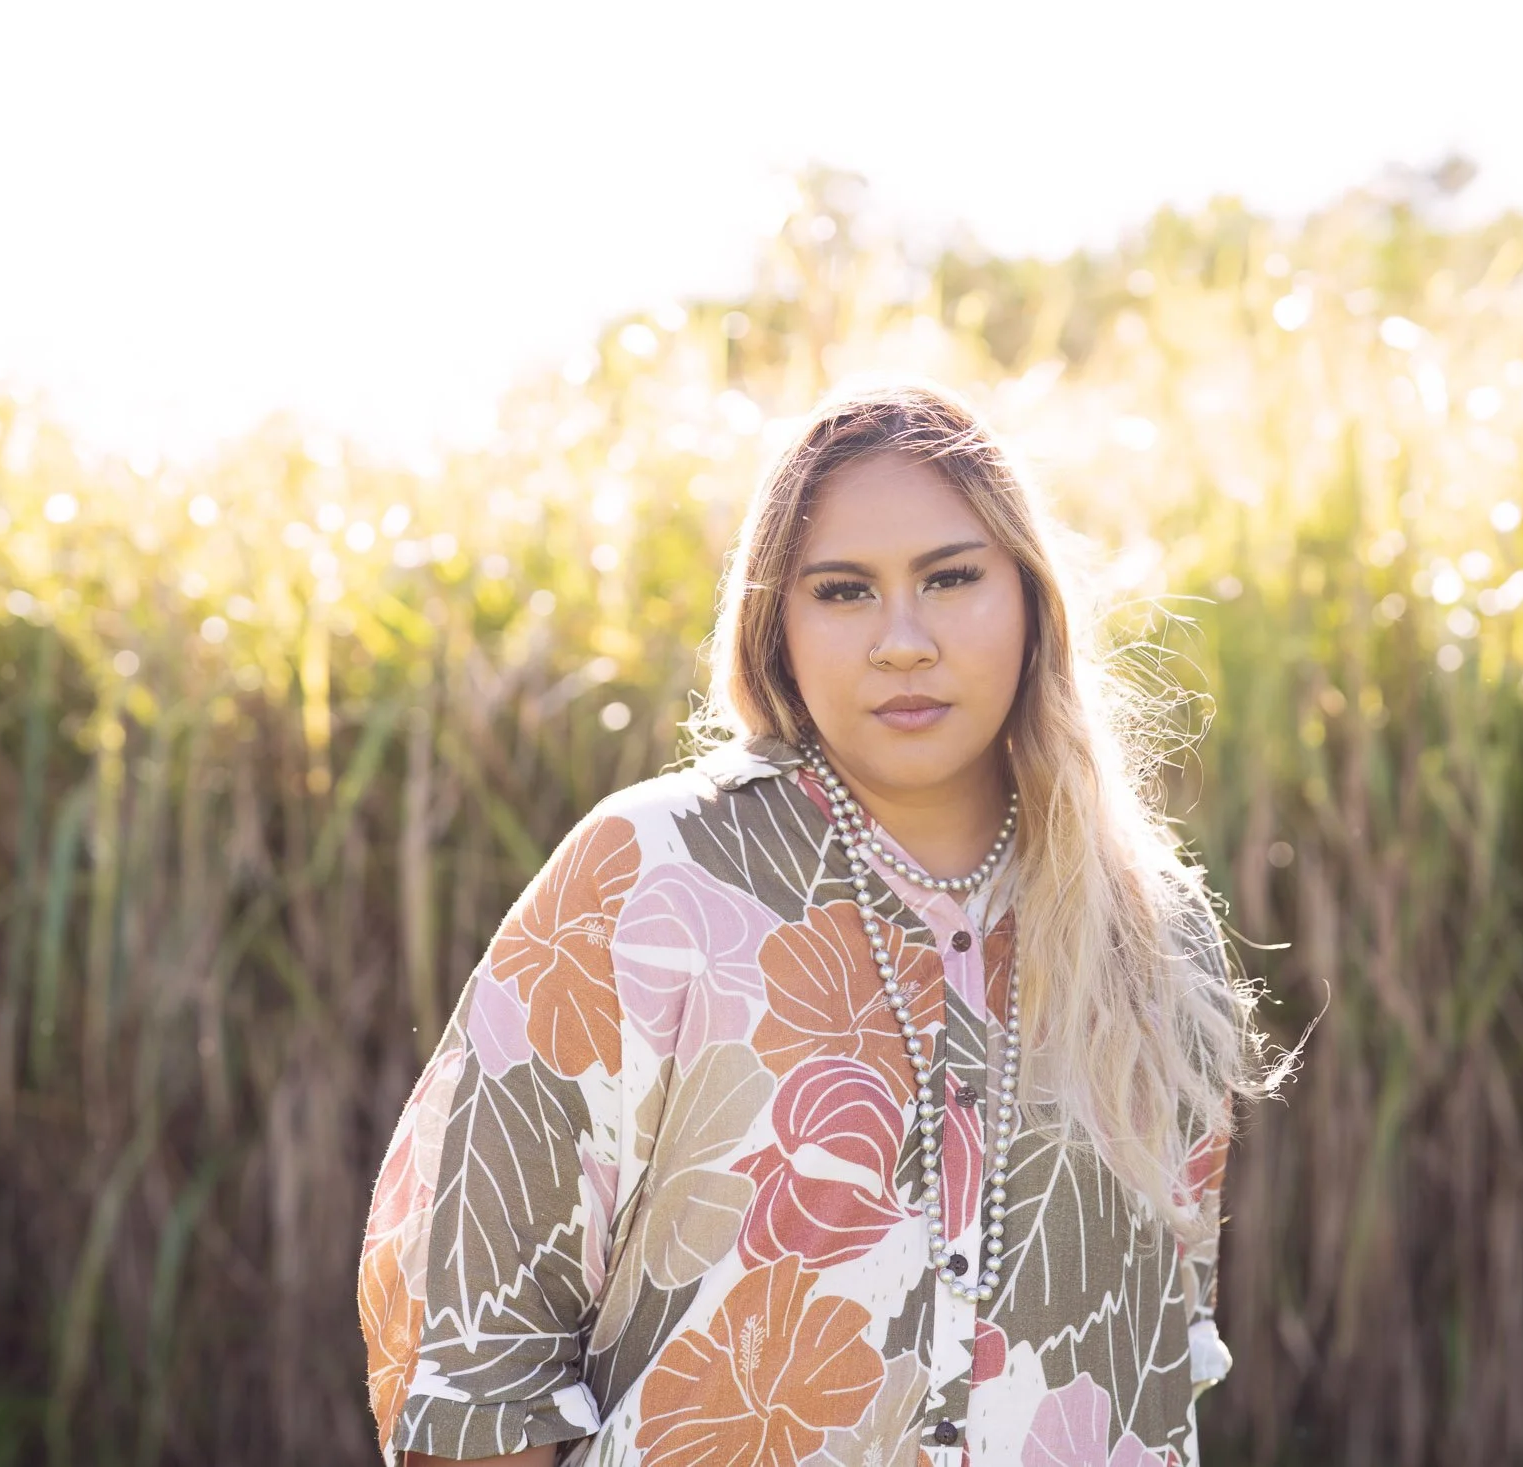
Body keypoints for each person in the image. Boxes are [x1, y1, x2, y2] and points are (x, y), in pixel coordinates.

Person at [358, 380, 1262, 1466]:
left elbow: (1167, 1354)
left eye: (952, 577)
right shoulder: (652, 877)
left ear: (1030, 597)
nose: (902, 640)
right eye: (842, 592)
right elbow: (471, 1364)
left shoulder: (1151, 930)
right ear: (774, 624)